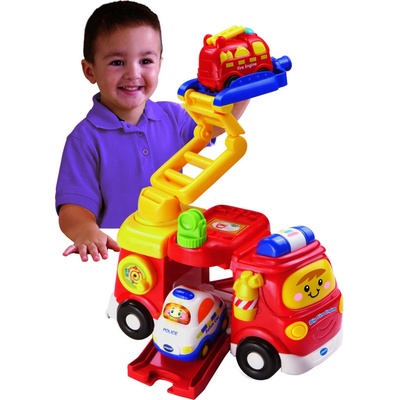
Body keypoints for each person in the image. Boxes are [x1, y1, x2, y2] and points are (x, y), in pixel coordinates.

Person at [55, 1, 249, 263]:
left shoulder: (174, 116)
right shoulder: (85, 139)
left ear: (159, 64)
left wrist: (243, 87)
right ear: (90, 71)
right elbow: (73, 206)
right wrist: (86, 231)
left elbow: (214, 126)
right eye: (117, 62)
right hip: (125, 249)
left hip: (175, 242)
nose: (133, 73)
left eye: (145, 61)